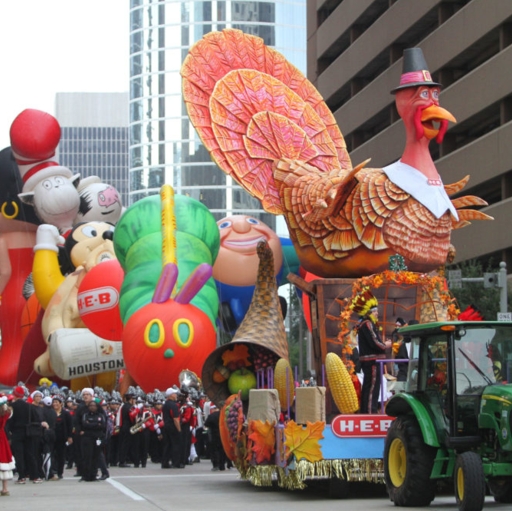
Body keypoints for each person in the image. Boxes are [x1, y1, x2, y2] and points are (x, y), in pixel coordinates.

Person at [353, 290, 391, 414]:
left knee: (370, 388)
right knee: (372, 390)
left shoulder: (367, 324)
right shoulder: (367, 324)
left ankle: (367, 412)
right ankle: (370, 413)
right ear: (368, 312)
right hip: (372, 362)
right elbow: (375, 342)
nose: (377, 313)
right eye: (374, 311)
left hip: (372, 362)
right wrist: (385, 345)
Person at [79, 400, 107, 482]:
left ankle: (93, 475)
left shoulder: (100, 415)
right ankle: (86, 475)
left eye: (94, 405)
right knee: (87, 457)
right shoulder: (85, 415)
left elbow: (102, 425)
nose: (92, 407)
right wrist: (95, 424)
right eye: (90, 405)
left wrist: (91, 424)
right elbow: (85, 424)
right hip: (87, 438)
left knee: (96, 456)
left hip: (97, 438)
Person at [51, 396, 73, 480]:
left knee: (61, 455)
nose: (55, 404)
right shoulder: (51, 412)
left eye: (57, 402)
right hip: (52, 437)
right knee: (52, 455)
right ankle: (52, 471)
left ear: (61, 403)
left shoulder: (66, 413)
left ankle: (60, 472)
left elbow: (70, 425)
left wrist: (69, 436)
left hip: (62, 437)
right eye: (54, 402)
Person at [161, 388, 182, 469]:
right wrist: (179, 429)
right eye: (175, 393)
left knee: (167, 445)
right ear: (171, 395)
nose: (176, 395)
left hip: (166, 426)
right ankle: (176, 462)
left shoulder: (165, 404)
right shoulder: (173, 405)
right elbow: (176, 418)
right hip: (173, 427)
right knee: (175, 445)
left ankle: (165, 462)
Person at [0, 395, 15, 496]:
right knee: (3, 461)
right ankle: (5, 489)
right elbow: (9, 411)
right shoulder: (5, 413)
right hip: (2, 438)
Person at [204, 404, 226, 471]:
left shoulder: (211, 416)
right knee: (222, 450)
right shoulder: (224, 415)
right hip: (222, 434)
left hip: (214, 435)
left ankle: (215, 465)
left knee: (214, 450)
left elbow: (206, 424)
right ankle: (222, 465)